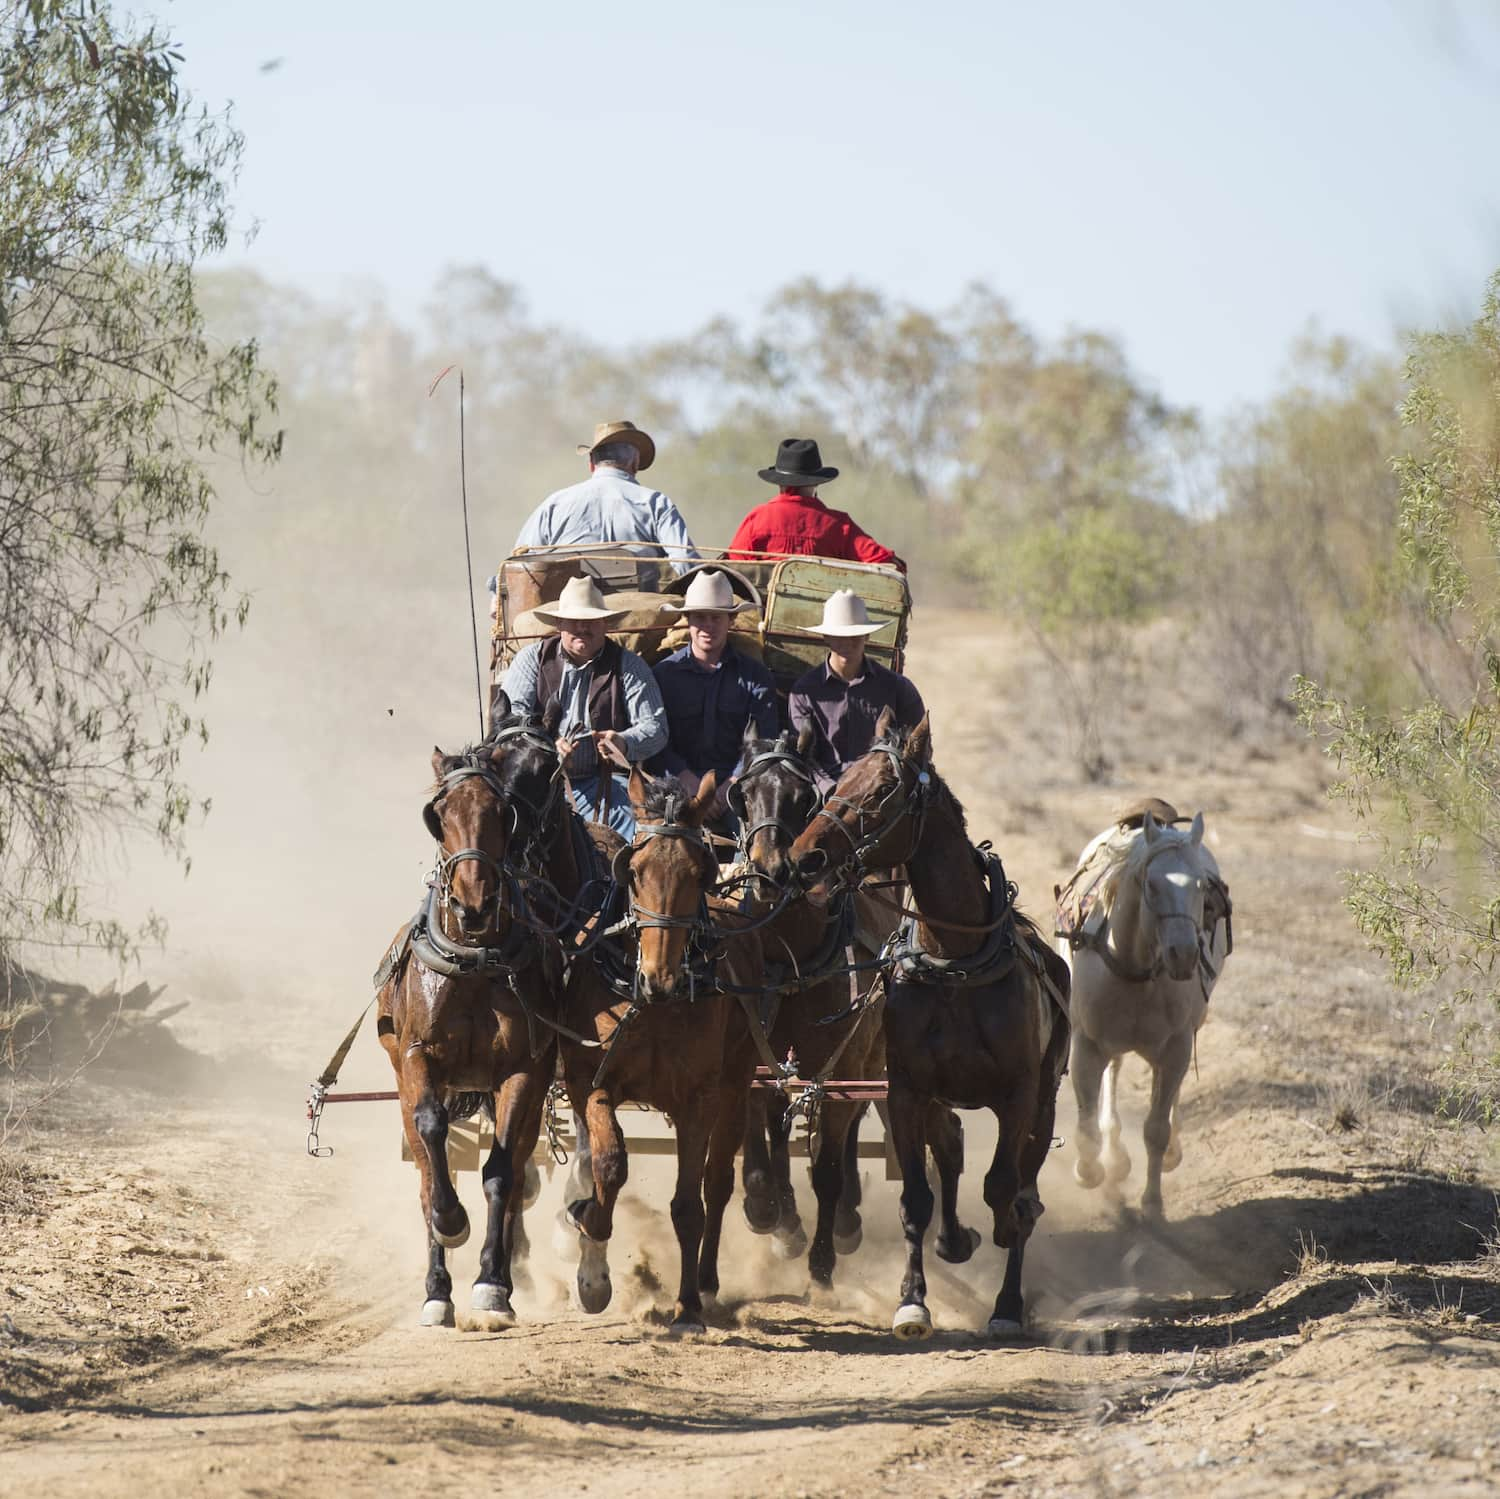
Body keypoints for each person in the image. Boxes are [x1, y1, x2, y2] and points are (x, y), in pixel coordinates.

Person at [502, 575, 668, 837]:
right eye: (573, 620)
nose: (582, 627)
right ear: (559, 623)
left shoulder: (630, 666)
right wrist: (546, 746)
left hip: (609, 786)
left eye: (591, 620)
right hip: (538, 782)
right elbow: (510, 724)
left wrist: (624, 742)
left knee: (638, 832)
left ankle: (623, 879)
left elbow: (656, 728)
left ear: (605, 624)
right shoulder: (530, 661)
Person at [653, 571, 779, 825]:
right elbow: (656, 739)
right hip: (677, 786)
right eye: (700, 617)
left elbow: (763, 742)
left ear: (731, 620)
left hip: (739, 788)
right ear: (687, 620)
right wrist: (686, 779)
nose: (708, 625)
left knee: (752, 843)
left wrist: (727, 788)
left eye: (716, 617)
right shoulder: (663, 675)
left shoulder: (755, 676)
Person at [513, 420, 699, 590]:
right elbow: (684, 564)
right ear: (635, 462)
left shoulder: (554, 504)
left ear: (592, 464)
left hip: (568, 619)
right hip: (639, 617)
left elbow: (519, 563)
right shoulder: (656, 503)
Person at [788, 589, 924, 795]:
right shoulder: (804, 691)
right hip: (824, 794)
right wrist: (830, 790)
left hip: (881, 794)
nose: (847, 643)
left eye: (855, 636)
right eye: (840, 636)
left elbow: (919, 749)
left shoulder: (897, 688)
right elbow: (803, 754)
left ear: (867, 635)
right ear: (827, 637)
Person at [725, 438, 905, 571]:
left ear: (779, 482)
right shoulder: (839, 525)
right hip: (826, 619)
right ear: (816, 482)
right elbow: (887, 564)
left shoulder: (757, 518)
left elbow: (733, 565)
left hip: (763, 618)